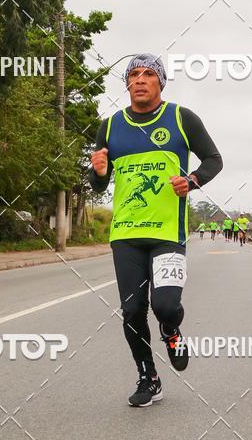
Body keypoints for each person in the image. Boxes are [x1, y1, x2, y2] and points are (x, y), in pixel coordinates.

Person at [89, 54, 223, 407]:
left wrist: (191, 181)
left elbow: (214, 159)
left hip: (167, 234)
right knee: (132, 311)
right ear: (127, 83)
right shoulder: (111, 126)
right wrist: (99, 171)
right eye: (133, 74)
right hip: (126, 235)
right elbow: (98, 184)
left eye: (149, 74)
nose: (140, 79)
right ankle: (148, 377)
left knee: (165, 305)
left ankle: (171, 329)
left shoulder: (181, 118)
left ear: (160, 82)